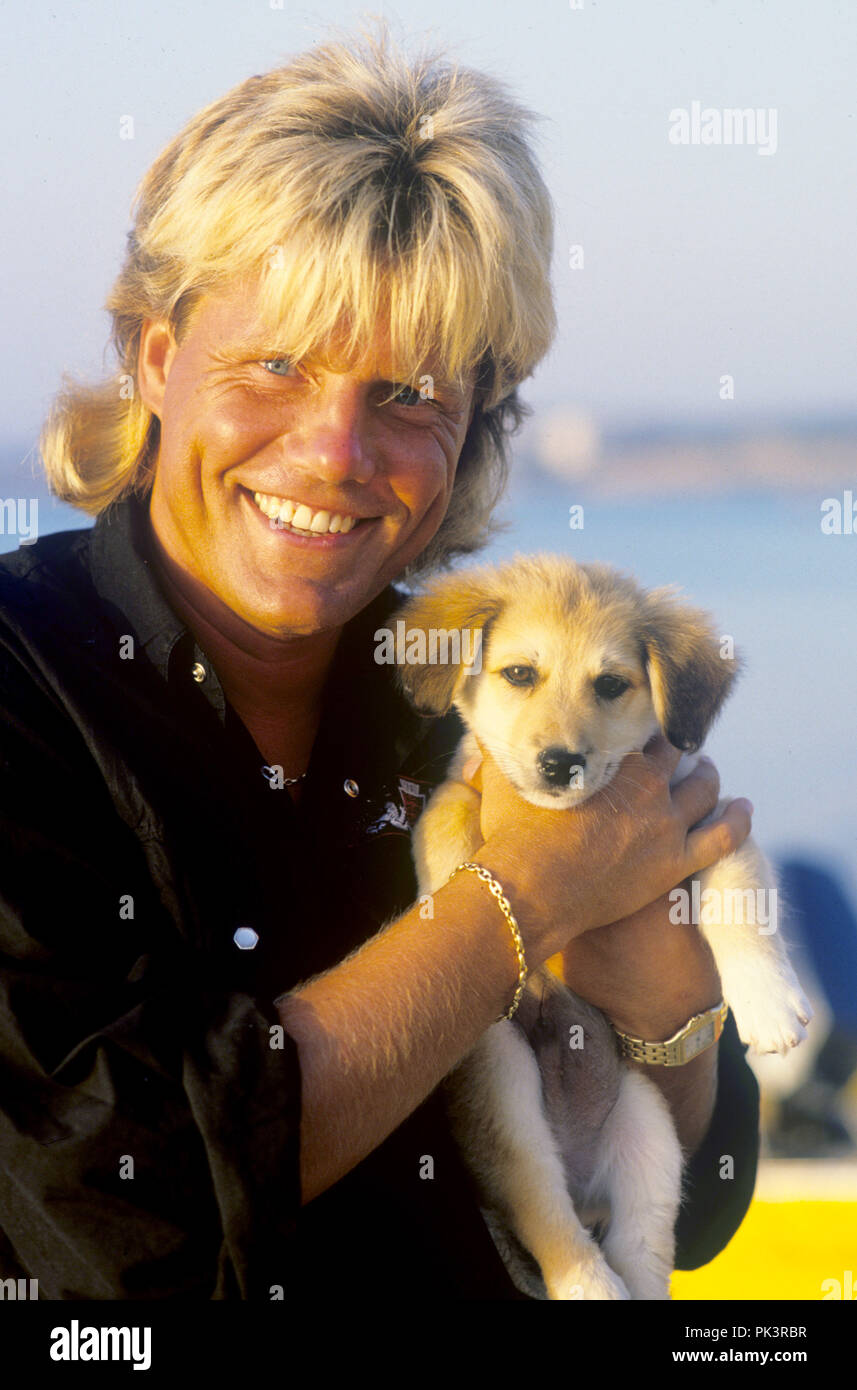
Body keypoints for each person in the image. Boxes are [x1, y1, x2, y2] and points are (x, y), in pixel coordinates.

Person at [0, 23, 759, 1300]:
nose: (334, 451)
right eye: (278, 364)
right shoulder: (28, 684)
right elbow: (115, 1203)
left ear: (471, 434)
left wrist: (664, 1013)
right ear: (153, 358)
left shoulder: (495, 692)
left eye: (408, 393)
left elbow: (696, 1207)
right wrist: (518, 904)